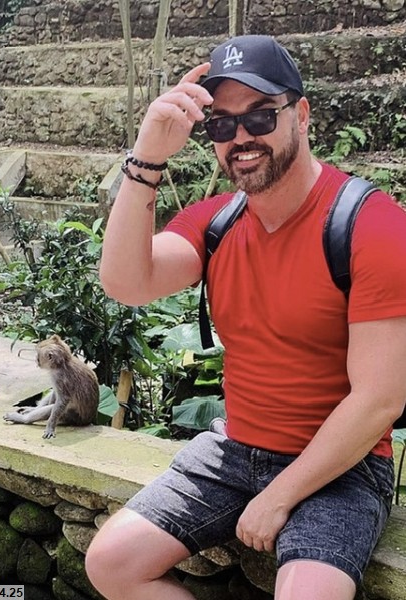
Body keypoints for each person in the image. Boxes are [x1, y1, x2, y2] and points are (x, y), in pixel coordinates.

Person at [85, 35, 406, 600]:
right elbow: (126, 283)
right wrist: (148, 155)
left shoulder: (373, 227)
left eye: (260, 116)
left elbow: (379, 399)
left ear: (300, 115)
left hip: (341, 466)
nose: (240, 138)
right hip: (235, 449)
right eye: (221, 124)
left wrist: (279, 495)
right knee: (112, 564)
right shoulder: (218, 223)